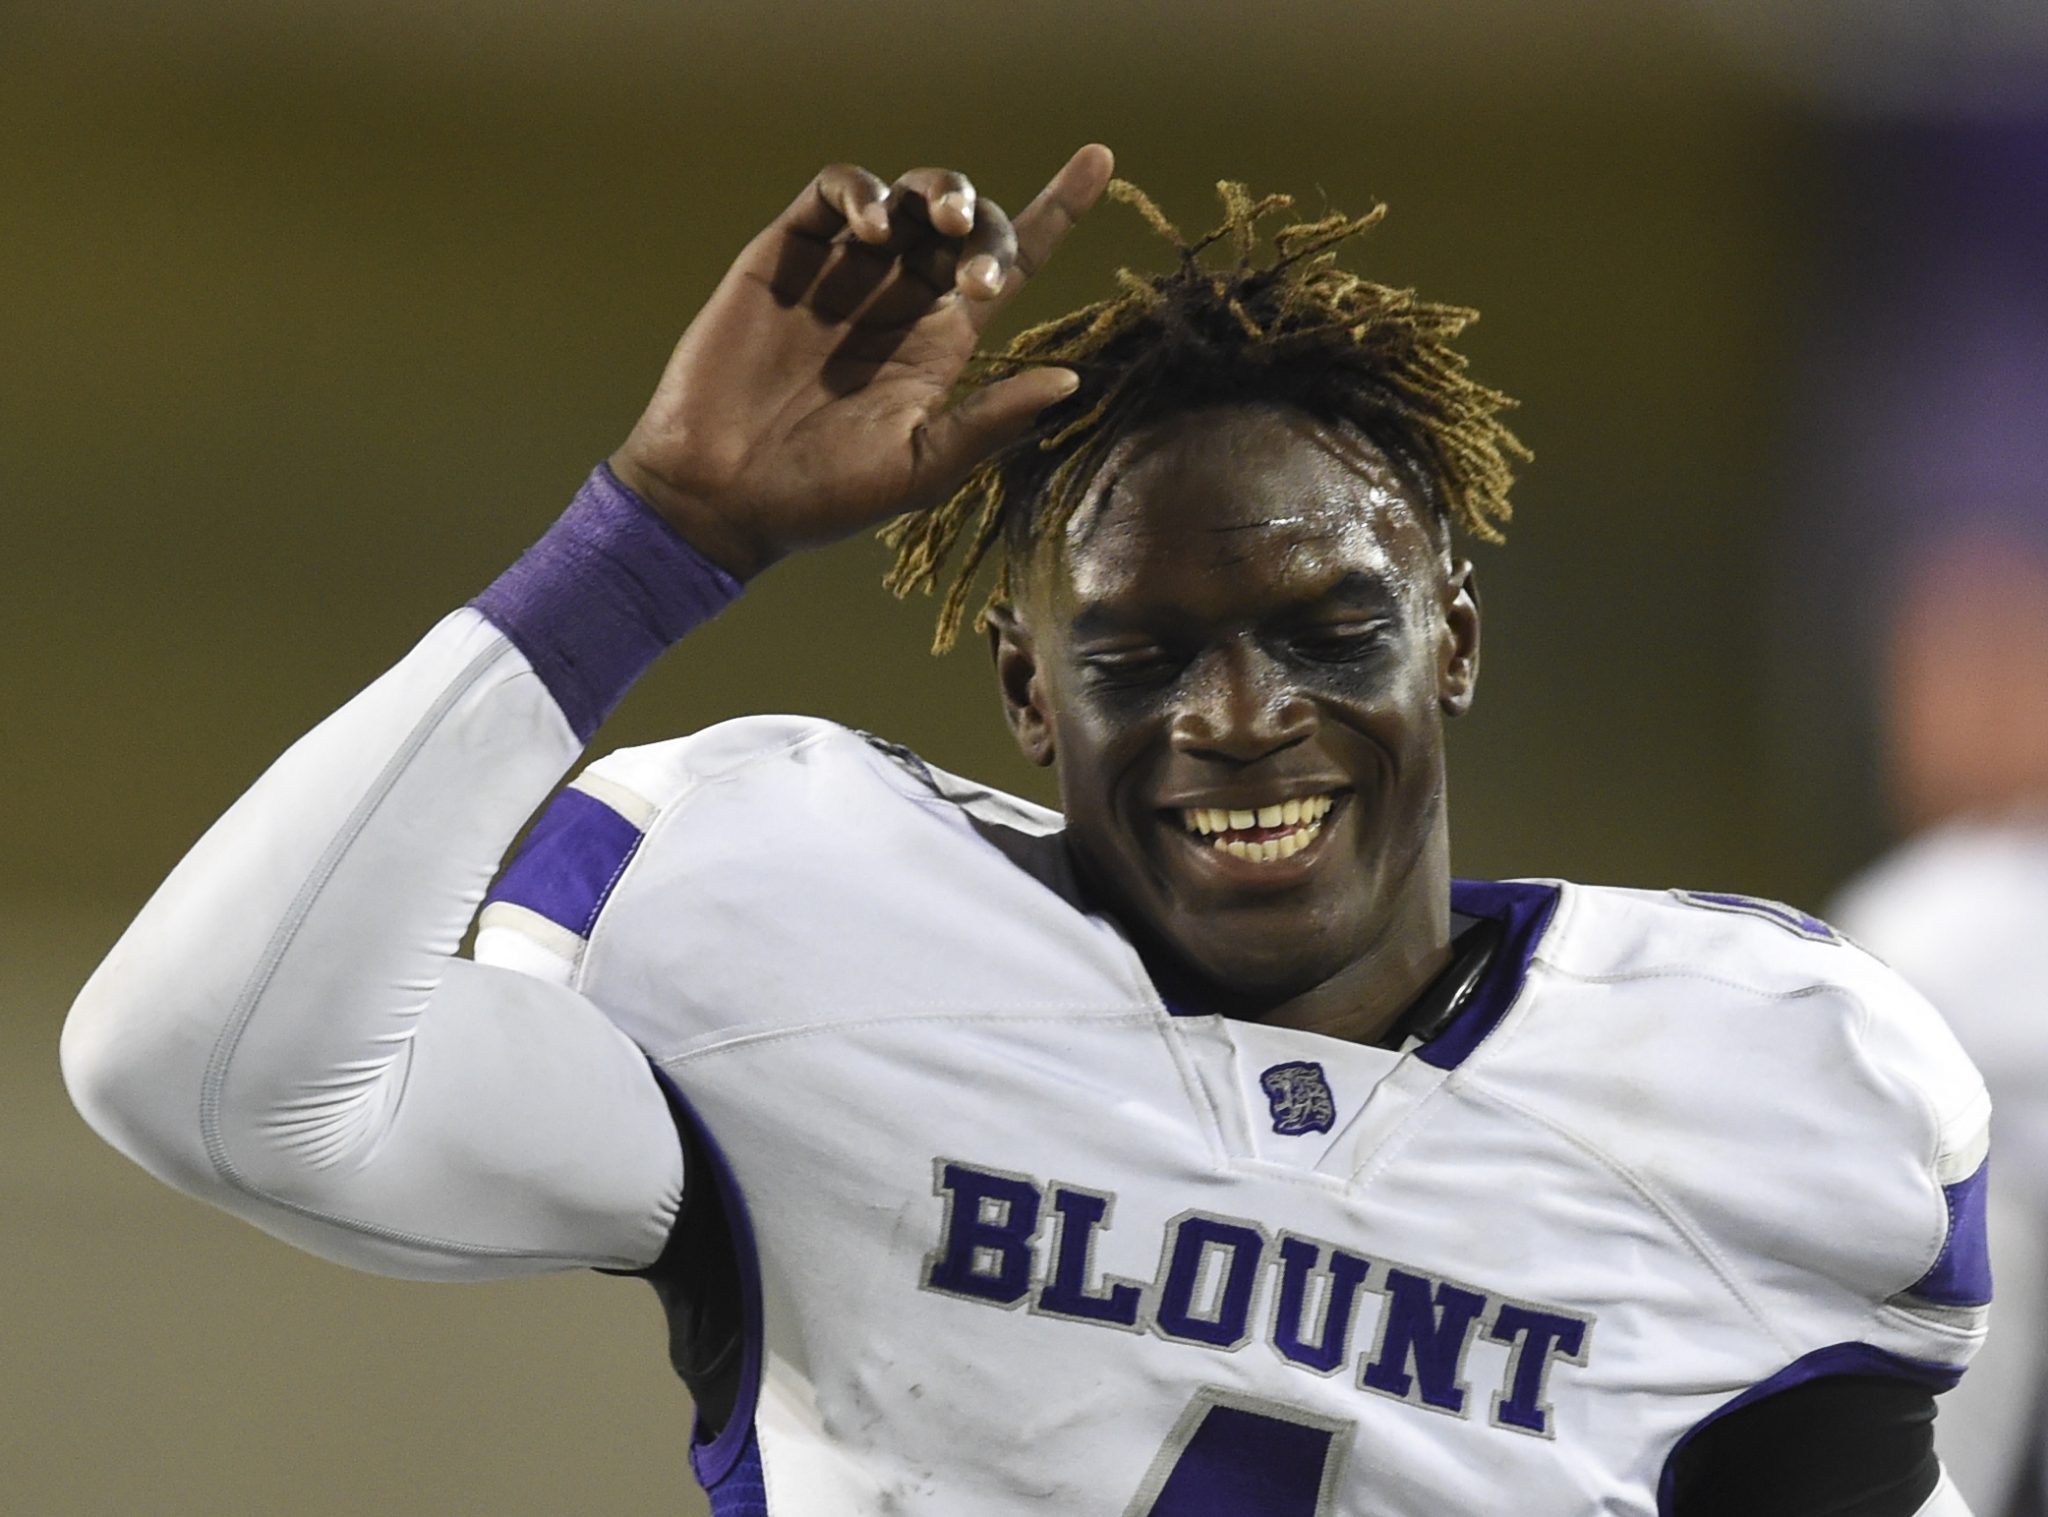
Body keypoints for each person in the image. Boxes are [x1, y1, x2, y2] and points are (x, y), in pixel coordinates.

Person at [61, 144, 1990, 1515]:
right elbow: (197, 1072)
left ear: (1453, 645)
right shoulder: (798, 934)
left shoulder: (1751, 1079)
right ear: (1027, 695)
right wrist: (652, 540)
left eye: (1330, 632)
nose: (1241, 718)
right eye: (1144, 656)